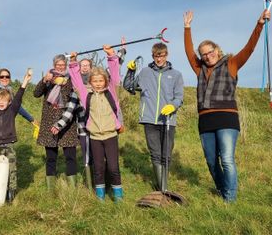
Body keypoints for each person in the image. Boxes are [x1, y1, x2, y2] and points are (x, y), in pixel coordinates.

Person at [183, 9, 270, 202]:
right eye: (203, 54)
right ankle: (223, 190)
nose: (207, 56)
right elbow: (189, 53)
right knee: (212, 162)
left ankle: (229, 199)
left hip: (227, 118)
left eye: (210, 52)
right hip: (205, 120)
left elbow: (250, 48)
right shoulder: (199, 69)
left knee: (227, 160)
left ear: (217, 50)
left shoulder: (231, 63)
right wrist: (187, 28)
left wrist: (260, 24)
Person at [68, 45, 123, 201]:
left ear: (105, 81)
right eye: (95, 81)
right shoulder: (87, 96)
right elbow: (77, 82)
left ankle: (118, 195)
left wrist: (112, 56)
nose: (98, 83)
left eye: (101, 80)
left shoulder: (112, 92)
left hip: (111, 135)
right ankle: (100, 196)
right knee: (98, 168)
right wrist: (73, 62)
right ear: (90, 82)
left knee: (113, 167)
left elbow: (115, 75)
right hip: (95, 138)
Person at [127, 43, 184, 191]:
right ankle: (162, 189)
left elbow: (179, 97)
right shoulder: (145, 72)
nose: (159, 59)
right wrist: (130, 71)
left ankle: (163, 187)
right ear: (153, 56)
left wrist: (173, 105)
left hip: (168, 120)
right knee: (155, 154)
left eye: (162, 55)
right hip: (149, 119)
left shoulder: (176, 75)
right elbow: (129, 86)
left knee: (166, 154)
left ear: (166, 55)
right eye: (156, 56)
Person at [0, 51, 37, 193]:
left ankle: (6, 187)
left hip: (6, 128)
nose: (4, 78)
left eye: (7, 76)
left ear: (10, 78)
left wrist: (31, 119)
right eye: (2, 76)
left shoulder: (10, 93)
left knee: (6, 159)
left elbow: (19, 107)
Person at [34, 54, 79, 189]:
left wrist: (73, 61)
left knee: (70, 156)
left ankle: (72, 187)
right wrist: (43, 80)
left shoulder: (71, 80)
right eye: (57, 65)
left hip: (67, 123)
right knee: (51, 157)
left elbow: (76, 97)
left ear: (65, 66)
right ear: (54, 65)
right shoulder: (48, 79)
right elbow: (36, 94)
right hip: (49, 122)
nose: (60, 67)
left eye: (62, 65)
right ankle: (50, 189)